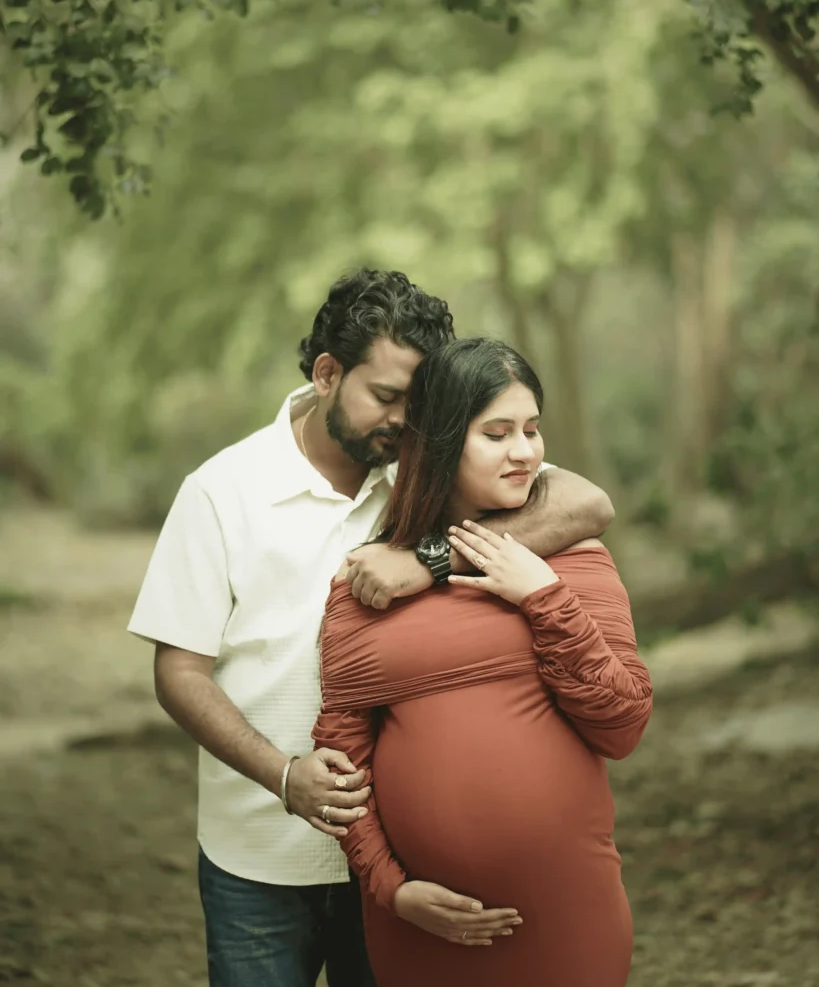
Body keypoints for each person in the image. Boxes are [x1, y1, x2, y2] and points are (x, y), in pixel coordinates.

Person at [127, 271, 616, 987]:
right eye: (386, 397)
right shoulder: (221, 491)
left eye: (418, 402)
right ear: (327, 373)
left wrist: (429, 559)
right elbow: (178, 673)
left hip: (403, 864)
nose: (403, 420)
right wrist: (284, 775)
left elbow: (587, 503)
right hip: (258, 857)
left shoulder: (432, 469)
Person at [313, 337, 652, 987]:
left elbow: (622, 724)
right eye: (496, 433)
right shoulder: (370, 584)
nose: (524, 451)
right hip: (419, 929)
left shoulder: (574, 559)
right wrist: (391, 888)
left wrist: (544, 598)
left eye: (531, 429)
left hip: (565, 920)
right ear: (439, 442)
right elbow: (341, 760)